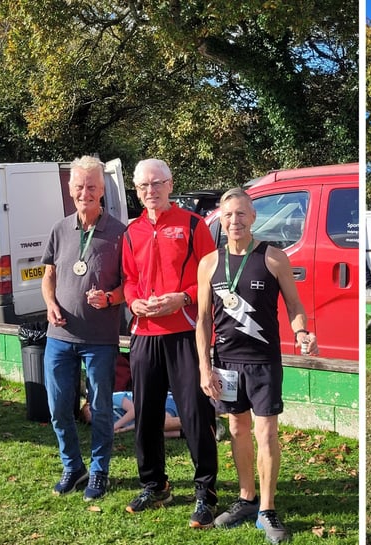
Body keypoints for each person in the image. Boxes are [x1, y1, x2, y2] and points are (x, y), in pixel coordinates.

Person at [196, 187, 318, 544]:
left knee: (266, 433)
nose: (235, 221)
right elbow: (202, 320)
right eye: (228, 215)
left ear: (253, 217)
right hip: (227, 363)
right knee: (237, 430)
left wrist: (303, 332)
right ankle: (246, 498)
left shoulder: (273, 257)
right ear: (221, 218)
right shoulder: (209, 263)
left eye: (241, 214)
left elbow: (294, 306)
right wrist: (205, 367)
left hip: (263, 362)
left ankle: (267, 508)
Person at [121, 158, 219, 529]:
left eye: (156, 184)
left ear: (170, 184)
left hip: (185, 332)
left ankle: (205, 493)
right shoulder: (131, 232)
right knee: (146, 416)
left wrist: (184, 298)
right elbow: (129, 279)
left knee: (195, 414)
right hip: (145, 334)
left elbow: (210, 278)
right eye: (143, 186)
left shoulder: (193, 226)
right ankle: (154, 484)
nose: (150, 192)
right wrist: (133, 302)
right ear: (137, 190)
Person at [41, 155, 126, 500]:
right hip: (59, 337)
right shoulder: (60, 229)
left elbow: (130, 286)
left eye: (92, 186)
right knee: (59, 406)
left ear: (102, 190)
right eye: (79, 186)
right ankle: (72, 466)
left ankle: (99, 471)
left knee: (101, 409)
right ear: (70, 188)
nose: (85, 192)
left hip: (100, 341)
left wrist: (108, 298)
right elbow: (49, 276)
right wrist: (49, 304)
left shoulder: (120, 233)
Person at [81, 391, 183, 438]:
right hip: (151, 416)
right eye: (92, 420)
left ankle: (193, 423)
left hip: (163, 402)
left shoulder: (111, 398)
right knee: (150, 433)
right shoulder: (113, 419)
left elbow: (134, 410)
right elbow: (140, 424)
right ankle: (185, 433)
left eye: (91, 411)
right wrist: (123, 430)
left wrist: (115, 427)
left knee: (161, 423)